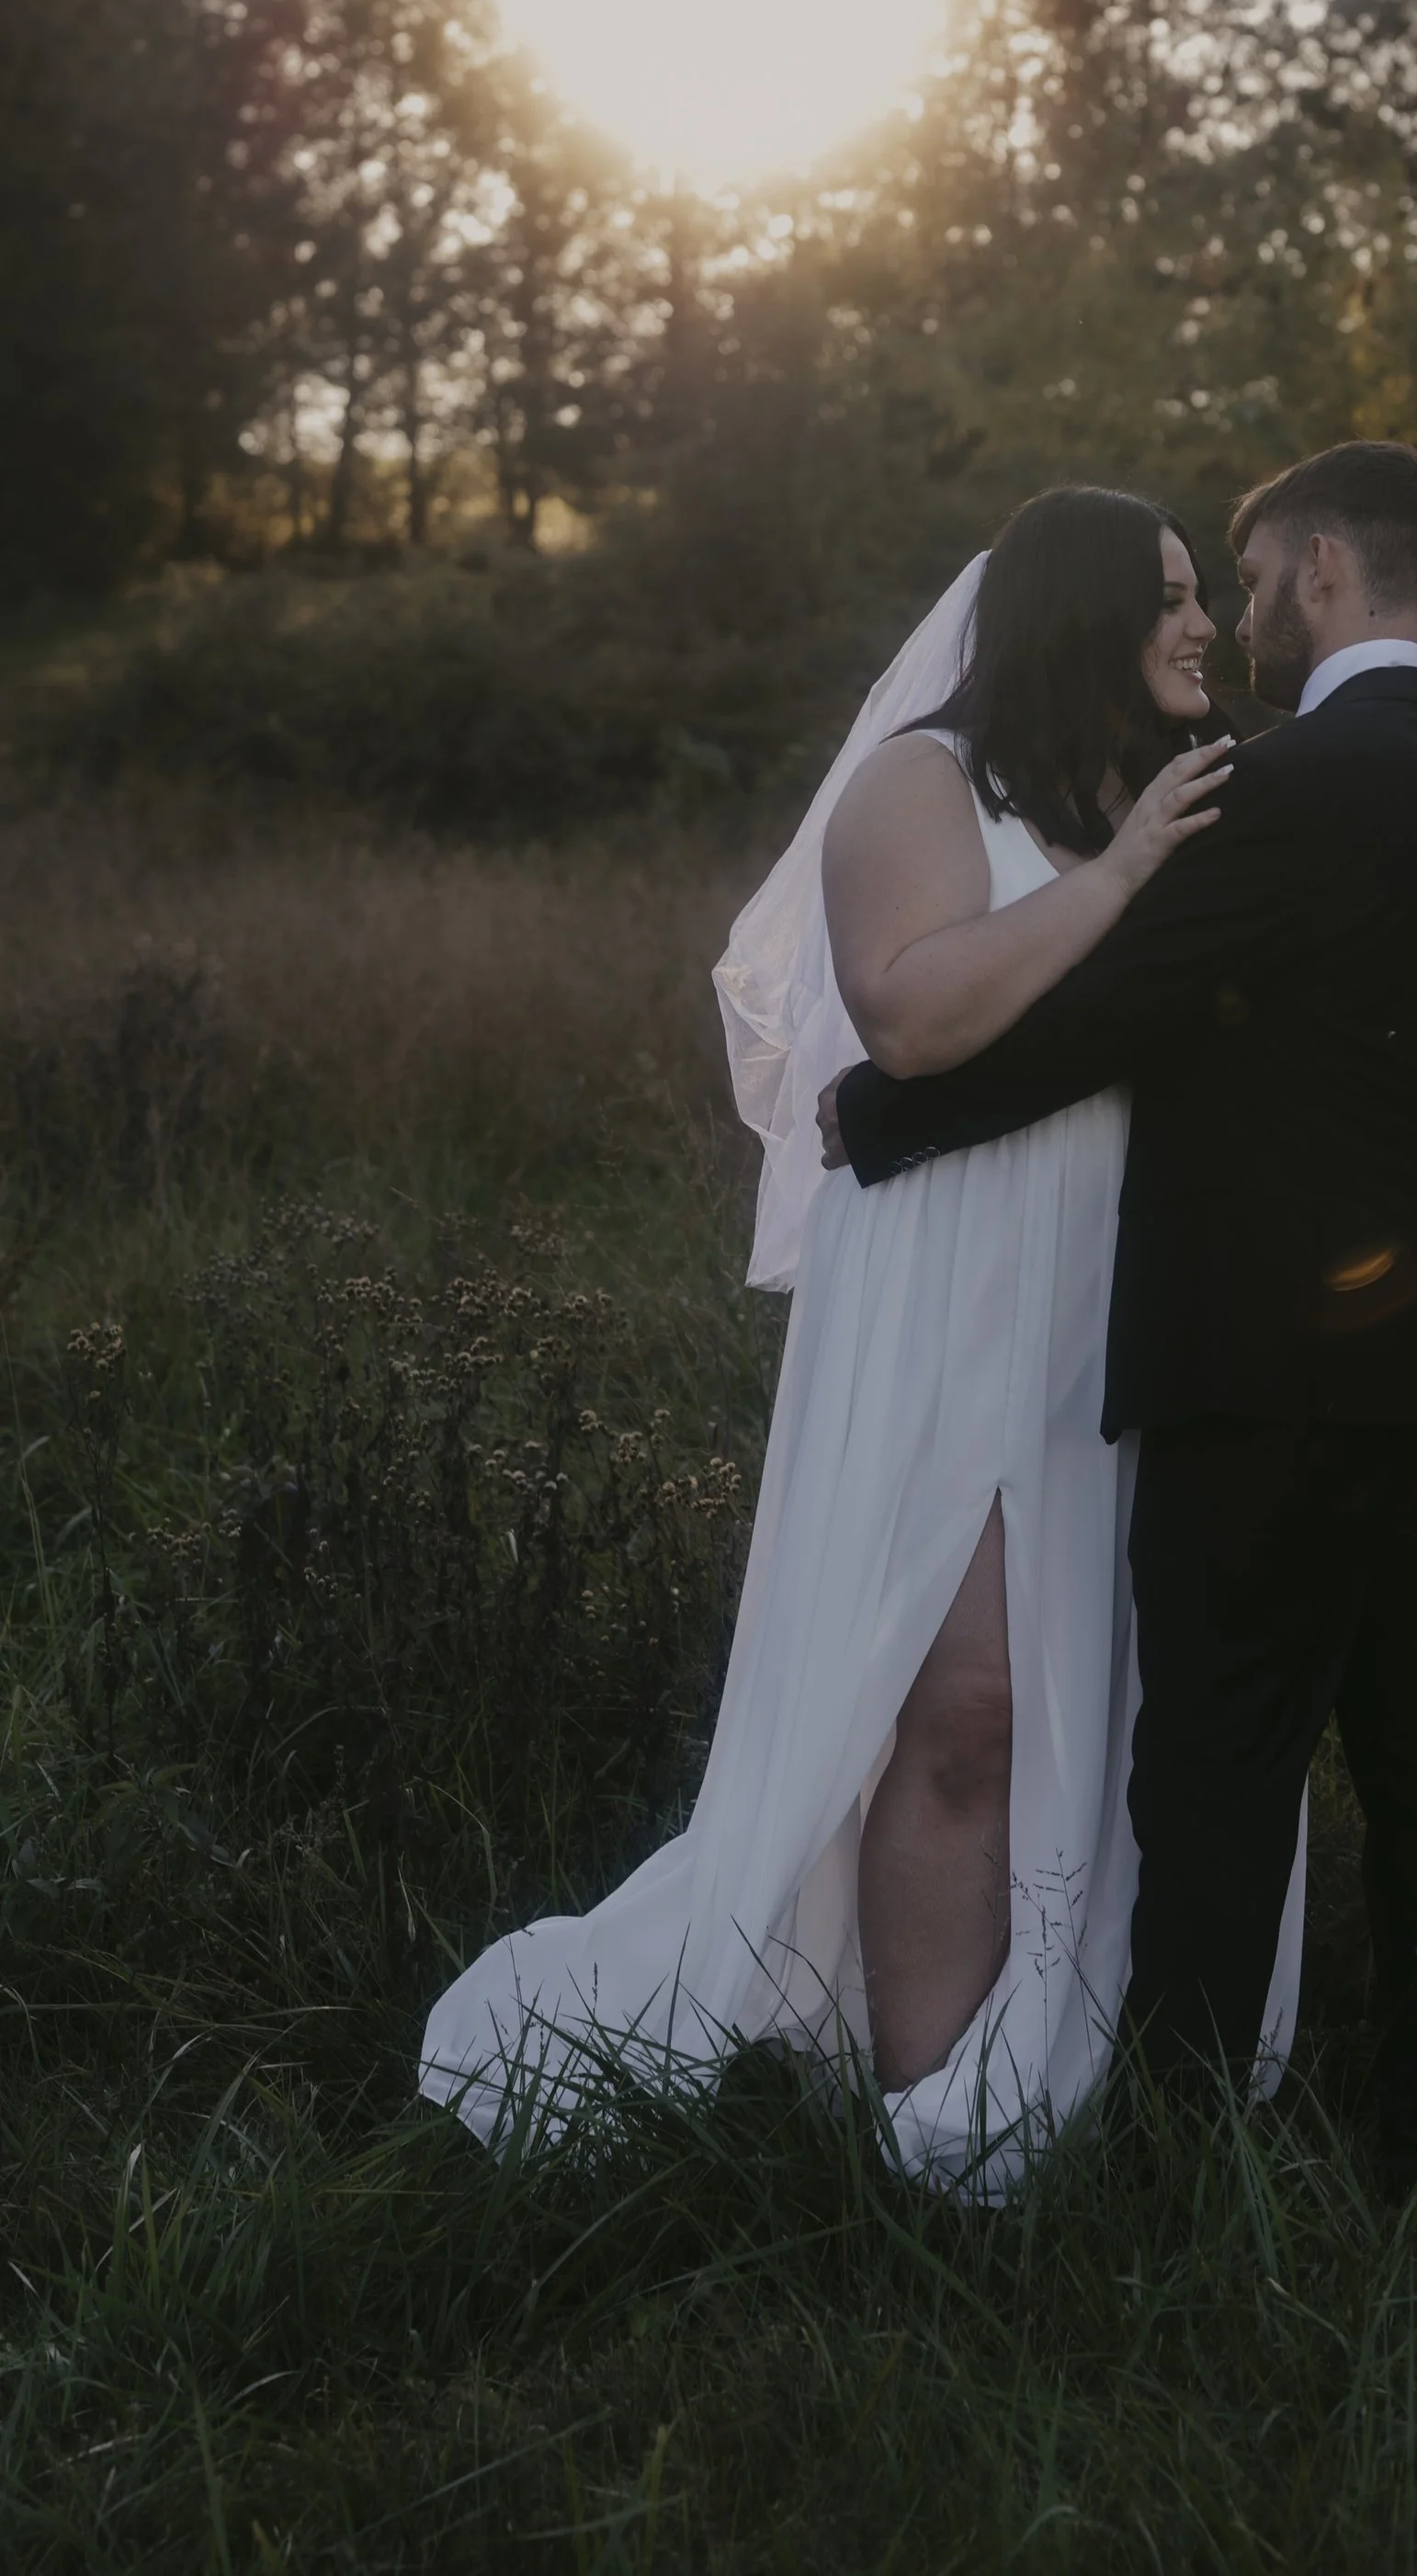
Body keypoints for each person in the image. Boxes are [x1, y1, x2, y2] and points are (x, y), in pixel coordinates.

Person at [418, 489, 1308, 2187]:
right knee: (960, 1696)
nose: (1205, 627)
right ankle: (929, 2135)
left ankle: (1051, 2078)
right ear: (1078, 610)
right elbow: (908, 1016)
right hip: (953, 1277)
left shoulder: (1149, 787)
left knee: (1085, 1700)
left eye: (1209, 595)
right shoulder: (923, 782)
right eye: (1173, 597)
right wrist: (1123, 873)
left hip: (1116, 1281)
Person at [830, 440, 1417, 2169]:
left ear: (1325, 574)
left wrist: (886, 1110)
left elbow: (1115, 1009)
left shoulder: (1289, 784)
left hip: (1258, 1359)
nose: (1235, 611)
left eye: (1250, 572)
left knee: (1212, 1766)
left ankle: (1179, 2147)